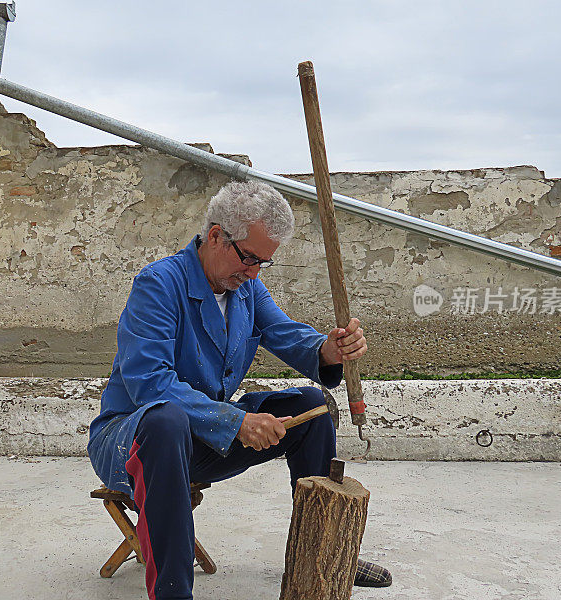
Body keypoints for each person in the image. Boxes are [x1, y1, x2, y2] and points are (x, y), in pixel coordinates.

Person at [87, 180, 392, 599]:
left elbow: (287, 334)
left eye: (262, 264)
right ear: (216, 235)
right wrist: (235, 420)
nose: (252, 272)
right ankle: (174, 592)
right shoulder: (159, 284)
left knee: (313, 405)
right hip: (132, 441)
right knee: (166, 419)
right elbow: (149, 382)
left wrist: (328, 349)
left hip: (201, 436)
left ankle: (320, 551)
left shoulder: (245, 287)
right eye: (249, 258)